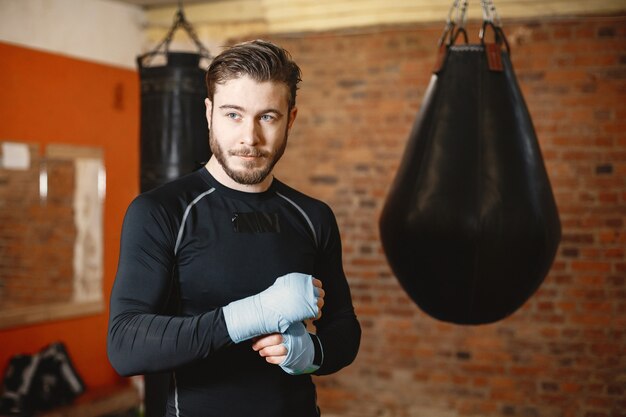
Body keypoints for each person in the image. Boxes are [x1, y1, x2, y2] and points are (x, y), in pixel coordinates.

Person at [107, 39, 361, 417]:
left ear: (290, 118)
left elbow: (345, 328)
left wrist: (309, 353)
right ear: (209, 113)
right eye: (233, 115)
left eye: (267, 117)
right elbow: (126, 347)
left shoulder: (313, 216)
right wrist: (256, 313)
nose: (249, 138)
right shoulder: (161, 213)